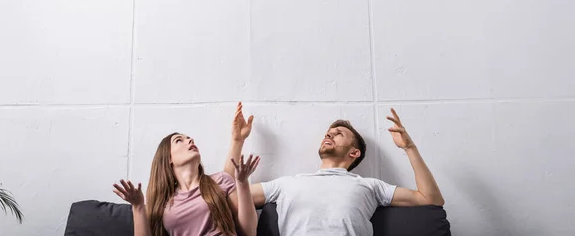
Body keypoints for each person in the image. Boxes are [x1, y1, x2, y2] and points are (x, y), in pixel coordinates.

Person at [226, 105, 445, 236]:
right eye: (328, 133)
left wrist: (409, 147)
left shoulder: (369, 185)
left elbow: (430, 198)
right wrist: (237, 142)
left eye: (338, 134)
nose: (329, 135)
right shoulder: (286, 184)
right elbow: (228, 199)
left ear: (354, 153)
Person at [113, 106, 260, 236]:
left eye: (190, 138)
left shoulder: (221, 180)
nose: (190, 141)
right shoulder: (162, 203)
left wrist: (242, 182)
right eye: (179, 140)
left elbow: (249, 232)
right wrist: (138, 206)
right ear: (168, 158)